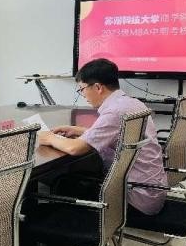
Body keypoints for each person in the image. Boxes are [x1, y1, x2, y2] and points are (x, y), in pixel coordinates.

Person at [38, 58, 167, 216]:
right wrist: (77, 130)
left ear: (98, 87)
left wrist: (48, 137)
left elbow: (75, 148)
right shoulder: (132, 103)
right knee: (78, 173)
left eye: (82, 89)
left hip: (132, 200)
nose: (82, 95)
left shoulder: (114, 111)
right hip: (150, 192)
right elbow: (117, 134)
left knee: (63, 182)